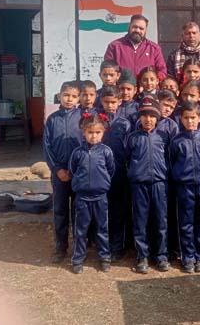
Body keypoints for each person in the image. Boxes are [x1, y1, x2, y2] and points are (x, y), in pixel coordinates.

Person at [126, 96, 174, 274]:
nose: (148, 119)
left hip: (159, 183)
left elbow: (170, 158)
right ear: (139, 117)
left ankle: (161, 255)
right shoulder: (132, 138)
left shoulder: (163, 136)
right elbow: (127, 159)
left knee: (161, 220)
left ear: (158, 118)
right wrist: (135, 174)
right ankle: (142, 255)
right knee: (140, 220)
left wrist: (164, 176)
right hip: (139, 184)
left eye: (152, 116)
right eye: (144, 115)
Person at [170, 101, 200, 273]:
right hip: (184, 186)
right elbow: (172, 162)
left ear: (199, 118)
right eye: (186, 118)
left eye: (193, 117)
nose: (190, 121)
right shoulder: (176, 141)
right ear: (181, 119)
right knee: (186, 221)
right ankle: (188, 257)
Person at [69, 114, 115, 274]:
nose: (93, 136)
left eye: (97, 133)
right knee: (80, 229)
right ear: (83, 132)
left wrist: (102, 183)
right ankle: (78, 259)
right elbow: (72, 170)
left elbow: (110, 170)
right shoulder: (77, 153)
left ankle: (104, 257)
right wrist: (81, 184)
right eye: (90, 132)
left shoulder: (106, 152)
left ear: (103, 133)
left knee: (102, 228)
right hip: (82, 198)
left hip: (100, 197)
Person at [43, 81, 83, 263]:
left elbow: (88, 143)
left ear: (78, 99)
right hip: (59, 173)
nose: (69, 99)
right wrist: (57, 169)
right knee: (60, 210)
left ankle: (79, 247)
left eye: (74, 96)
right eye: (66, 95)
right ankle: (61, 247)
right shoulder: (52, 119)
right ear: (59, 96)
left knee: (78, 210)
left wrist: (79, 169)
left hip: (78, 173)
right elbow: (47, 147)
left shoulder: (82, 117)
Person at [99, 86, 132, 258]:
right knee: (103, 210)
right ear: (101, 101)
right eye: (107, 102)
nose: (110, 105)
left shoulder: (125, 123)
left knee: (119, 209)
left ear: (119, 102)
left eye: (113, 102)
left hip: (119, 172)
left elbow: (129, 149)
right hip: (100, 173)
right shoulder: (97, 121)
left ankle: (118, 246)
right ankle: (103, 245)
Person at [104, 14, 167, 80]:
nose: (137, 30)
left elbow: (162, 71)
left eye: (141, 28)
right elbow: (107, 70)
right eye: (135, 27)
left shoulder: (154, 49)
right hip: (122, 86)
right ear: (129, 27)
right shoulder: (114, 46)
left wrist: (151, 81)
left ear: (145, 30)